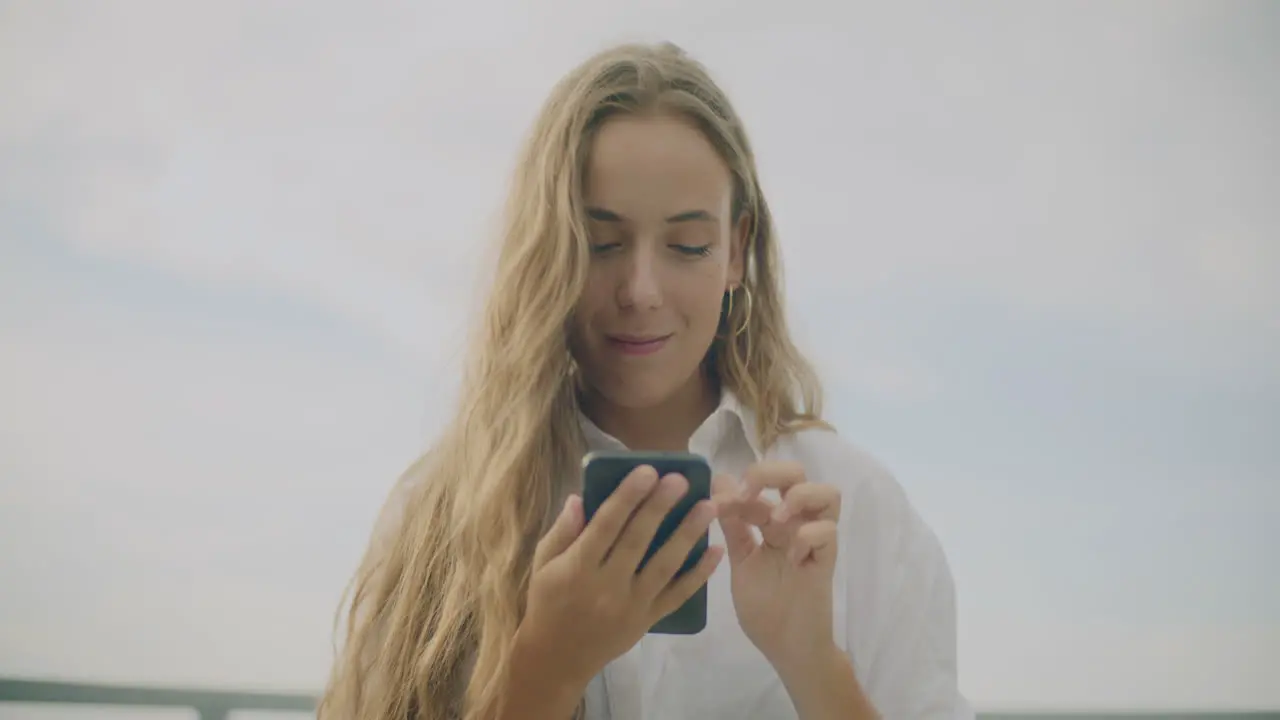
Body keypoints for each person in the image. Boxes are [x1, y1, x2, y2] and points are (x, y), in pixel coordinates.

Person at [319, 41, 973, 720]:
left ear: (736, 252)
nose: (641, 290)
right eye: (600, 243)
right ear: (547, 252)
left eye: (687, 245)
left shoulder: (855, 510)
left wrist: (811, 661)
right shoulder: (442, 514)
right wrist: (544, 670)